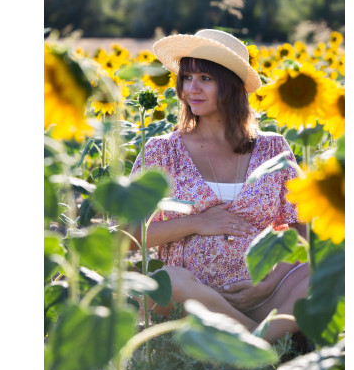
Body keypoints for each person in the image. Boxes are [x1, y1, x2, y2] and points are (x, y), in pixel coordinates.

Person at [130, 29, 309, 343]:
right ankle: (261, 343)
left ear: (231, 86)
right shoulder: (161, 151)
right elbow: (127, 237)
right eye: (187, 77)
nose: (192, 89)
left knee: (336, 266)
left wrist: (268, 283)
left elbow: (301, 234)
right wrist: (197, 222)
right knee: (166, 280)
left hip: (264, 300)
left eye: (205, 79)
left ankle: (246, 341)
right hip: (191, 303)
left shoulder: (274, 149)